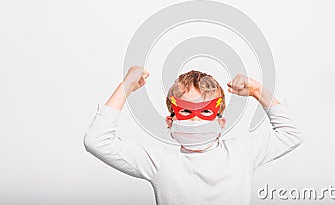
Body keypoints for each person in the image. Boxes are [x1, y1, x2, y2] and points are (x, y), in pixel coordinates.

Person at [83, 65, 304, 205]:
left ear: (221, 122)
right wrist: (126, 85)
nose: (195, 119)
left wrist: (257, 90)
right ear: (170, 122)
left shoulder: (242, 153)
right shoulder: (160, 162)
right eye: (185, 111)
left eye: (206, 111)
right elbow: (96, 141)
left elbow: (292, 134)